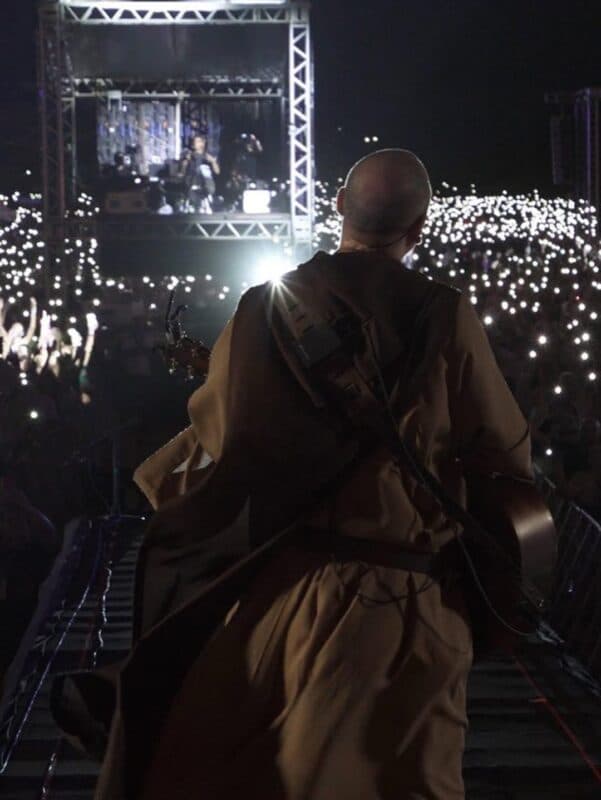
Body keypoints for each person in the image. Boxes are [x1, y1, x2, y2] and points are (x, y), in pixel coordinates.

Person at [61, 150, 536, 800]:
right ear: (419, 228)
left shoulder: (263, 309)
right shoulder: (442, 314)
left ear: (336, 204)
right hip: (407, 609)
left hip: (283, 597)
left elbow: (213, 449)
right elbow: (504, 453)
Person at [184, 134, 220, 213]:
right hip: (193, 182)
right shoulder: (190, 156)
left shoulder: (208, 156)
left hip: (206, 183)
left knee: (204, 171)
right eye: (197, 142)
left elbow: (217, 172)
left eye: (200, 141)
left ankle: (206, 202)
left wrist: (213, 161)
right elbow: (182, 171)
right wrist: (186, 161)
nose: (199, 143)